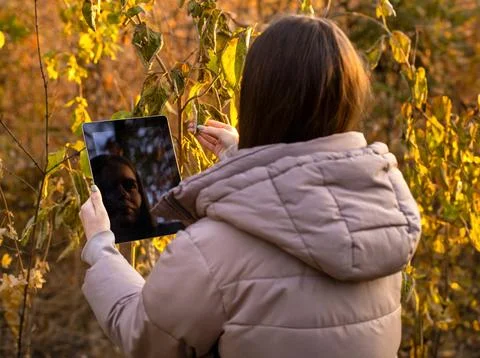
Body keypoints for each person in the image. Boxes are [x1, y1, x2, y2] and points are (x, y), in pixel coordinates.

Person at [80, 15, 421, 358]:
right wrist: (241, 156)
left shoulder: (213, 250)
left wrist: (101, 248)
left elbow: (144, 337)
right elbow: (311, 203)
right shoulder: (382, 214)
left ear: (257, 99)